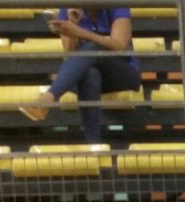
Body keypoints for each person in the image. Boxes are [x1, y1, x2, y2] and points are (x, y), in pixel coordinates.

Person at [19, 7, 142, 143]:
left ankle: (48, 97)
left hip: (122, 74)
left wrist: (81, 33)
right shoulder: (67, 10)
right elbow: (69, 56)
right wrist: (73, 24)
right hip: (85, 73)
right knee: (90, 74)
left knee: (93, 47)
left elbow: (120, 46)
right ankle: (93, 146)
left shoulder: (116, 5)